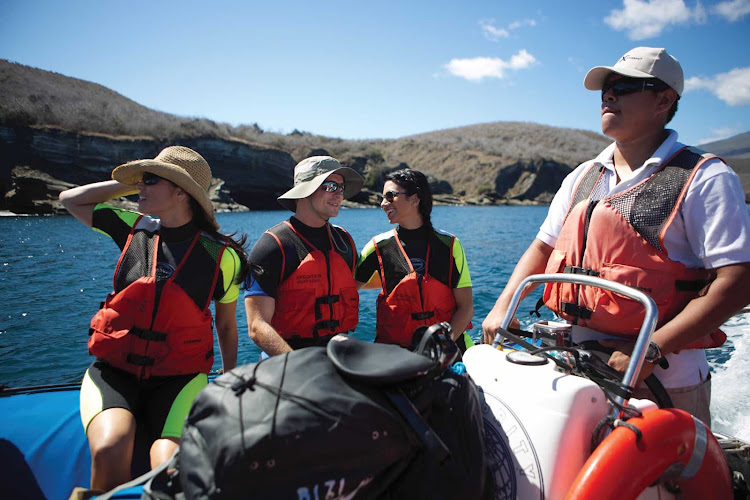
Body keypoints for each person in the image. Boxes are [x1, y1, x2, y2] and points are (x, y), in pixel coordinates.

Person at [482, 47, 750, 426]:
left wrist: (649, 349)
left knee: (666, 485)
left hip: (665, 379)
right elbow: (543, 247)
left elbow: (738, 282)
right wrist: (503, 306)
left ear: (663, 99)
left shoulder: (705, 177)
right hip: (574, 367)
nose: (608, 96)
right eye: (606, 89)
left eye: (623, 86)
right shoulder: (582, 176)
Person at [59, 146, 249, 491]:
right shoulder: (132, 228)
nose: (140, 188)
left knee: (170, 464)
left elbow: (225, 324)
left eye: (149, 180)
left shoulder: (222, 257)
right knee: (110, 447)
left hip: (179, 379)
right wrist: (131, 186)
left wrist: (230, 378)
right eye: (140, 181)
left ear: (180, 191)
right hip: (115, 372)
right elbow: (71, 199)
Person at [244, 156, 363, 356]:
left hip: (338, 358)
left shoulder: (344, 242)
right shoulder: (273, 246)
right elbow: (257, 325)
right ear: (305, 190)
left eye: (341, 188)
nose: (339, 195)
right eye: (331, 186)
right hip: (288, 363)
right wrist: (297, 365)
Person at [356, 169, 475, 352]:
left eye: (390, 196)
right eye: (382, 197)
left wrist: (441, 345)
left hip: (448, 350)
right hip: (397, 355)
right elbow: (348, 288)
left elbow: (465, 308)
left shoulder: (449, 245)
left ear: (414, 199)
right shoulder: (377, 247)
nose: (383, 203)